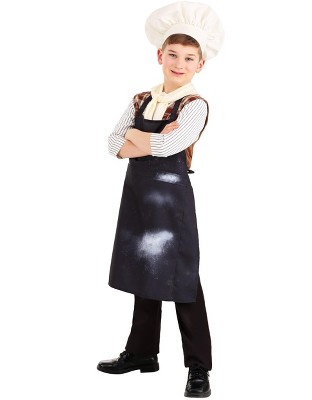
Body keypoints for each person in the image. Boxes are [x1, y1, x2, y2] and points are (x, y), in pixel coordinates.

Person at [97, 1, 224, 397]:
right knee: (143, 270)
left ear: (200, 64)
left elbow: (170, 145)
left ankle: (199, 366)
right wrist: (146, 139)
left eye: (188, 58)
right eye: (173, 54)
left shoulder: (195, 105)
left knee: (183, 279)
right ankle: (142, 352)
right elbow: (112, 144)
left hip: (172, 205)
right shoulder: (140, 99)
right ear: (159, 55)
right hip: (138, 199)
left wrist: (135, 138)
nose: (179, 63)